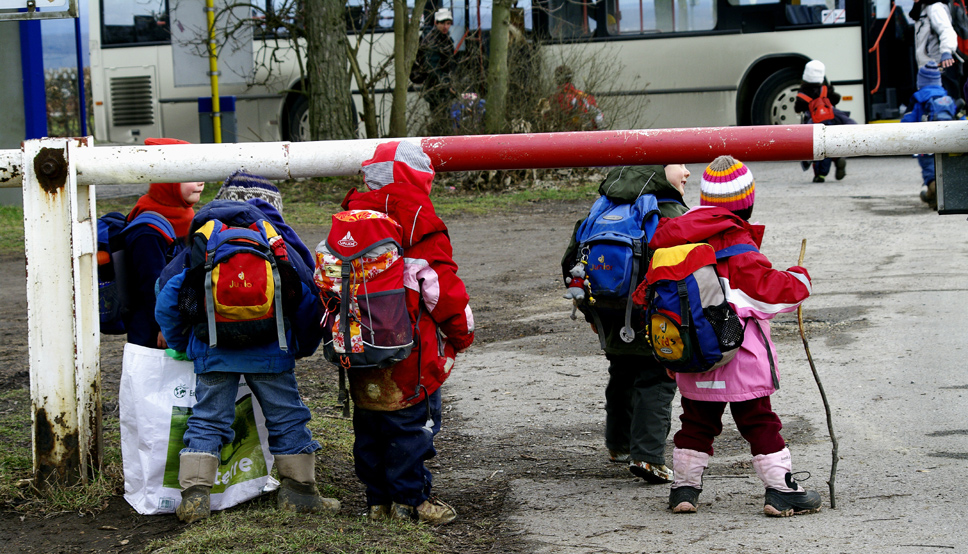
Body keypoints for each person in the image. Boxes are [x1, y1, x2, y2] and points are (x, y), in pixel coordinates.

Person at [155, 177, 335, 524]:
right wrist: (300, 347)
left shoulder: (203, 240)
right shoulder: (272, 240)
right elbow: (305, 297)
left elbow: (166, 298)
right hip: (271, 351)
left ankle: (195, 496)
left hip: (213, 351)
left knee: (207, 419)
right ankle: (300, 492)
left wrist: (185, 344)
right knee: (287, 416)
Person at [650, 156, 821, 517]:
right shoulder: (737, 245)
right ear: (747, 203)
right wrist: (800, 279)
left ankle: (683, 489)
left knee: (696, 422)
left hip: (693, 353)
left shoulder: (676, 238)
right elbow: (765, 293)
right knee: (759, 421)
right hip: (736, 355)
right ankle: (780, 490)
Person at [328, 140, 474, 525]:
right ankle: (411, 501)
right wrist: (461, 334)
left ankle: (378, 500)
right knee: (411, 425)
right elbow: (442, 291)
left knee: (369, 422)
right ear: (418, 177)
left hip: (358, 344)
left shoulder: (349, 222)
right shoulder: (419, 223)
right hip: (411, 349)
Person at [561, 164, 690, 483]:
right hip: (653, 314)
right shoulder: (669, 211)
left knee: (622, 373)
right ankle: (647, 458)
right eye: (680, 165)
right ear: (658, 169)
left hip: (607, 311)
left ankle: (619, 445)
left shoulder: (602, 207)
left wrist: (593, 313)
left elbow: (570, 260)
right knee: (656, 377)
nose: (686, 172)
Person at [124, 137, 203, 349]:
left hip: (177, 318)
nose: (201, 182)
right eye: (189, 176)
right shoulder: (147, 230)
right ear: (166, 180)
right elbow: (151, 283)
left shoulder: (187, 217)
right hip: (153, 329)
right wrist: (164, 327)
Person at [902, 62, 961, 209]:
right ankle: (939, 197)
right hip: (946, 141)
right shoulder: (946, 97)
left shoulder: (918, 98)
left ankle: (932, 190)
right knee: (944, 168)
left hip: (926, 143)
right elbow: (958, 117)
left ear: (920, 81)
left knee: (930, 170)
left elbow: (907, 121)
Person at [794, 60, 856, 183]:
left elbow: (797, 108)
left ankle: (820, 175)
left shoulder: (802, 94)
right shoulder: (825, 89)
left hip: (814, 123)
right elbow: (836, 98)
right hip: (831, 119)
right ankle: (837, 158)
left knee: (818, 148)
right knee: (832, 142)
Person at [910, 0, 962, 101]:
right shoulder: (923, 10)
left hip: (941, 66)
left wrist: (946, 51)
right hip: (931, 67)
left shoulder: (935, 8)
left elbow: (947, 31)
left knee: (945, 107)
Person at [418, 8, 457, 129]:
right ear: (436, 23)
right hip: (436, 89)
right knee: (441, 122)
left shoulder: (445, 39)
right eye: (442, 23)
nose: (445, 27)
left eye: (448, 23)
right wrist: (447, 84)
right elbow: (432, 68)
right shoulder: (433, 41)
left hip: (442, 88)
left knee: (444, 120)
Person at [545, 64, 605, 131]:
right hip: (590, 136)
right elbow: (599, 118)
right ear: (571, 78)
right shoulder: (585, 96)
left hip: (567, 137)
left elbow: (547, 122)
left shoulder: (555, 99)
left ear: (556, 80)